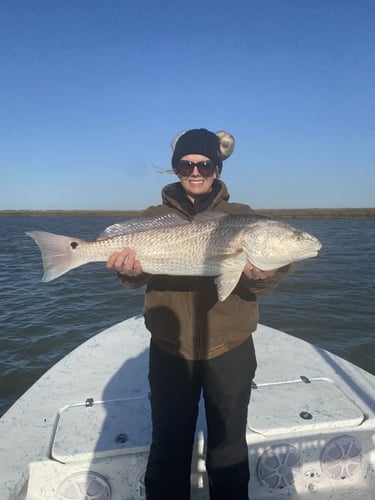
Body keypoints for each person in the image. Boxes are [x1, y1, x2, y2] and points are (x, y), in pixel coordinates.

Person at [106, 128, 293, 500]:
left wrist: (264, 275)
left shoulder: (243, 218)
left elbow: (262, 282)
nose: (195, 171)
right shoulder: (153, 217)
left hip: (230, 348)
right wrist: (129, 270)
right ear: (176, 169)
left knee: (229, 448)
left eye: (204, 163)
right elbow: (136, 277)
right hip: (170, 349)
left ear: (217, 167)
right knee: (168, 446)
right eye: (186, 164)